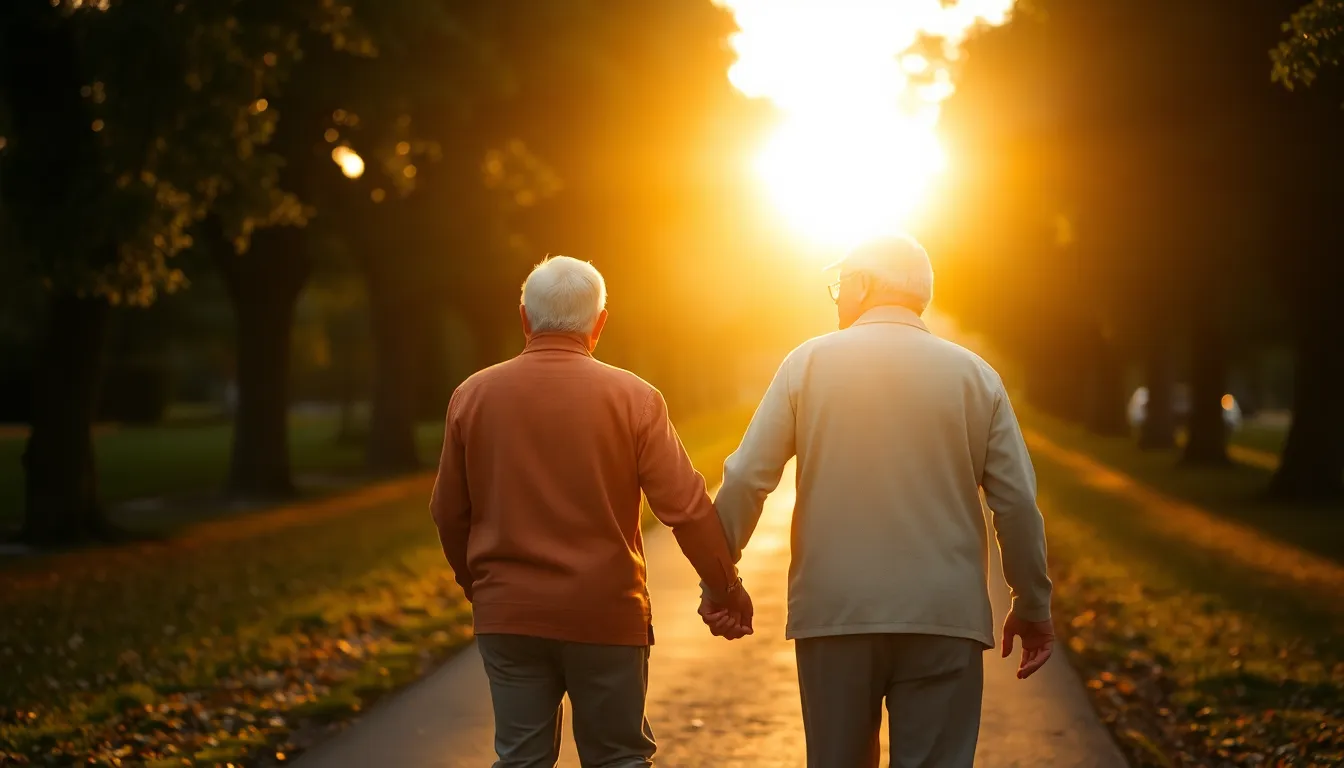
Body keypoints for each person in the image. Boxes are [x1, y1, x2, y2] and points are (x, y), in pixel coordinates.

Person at [701, 235, 1055, 767]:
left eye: (841, 285)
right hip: (944, 614)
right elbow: (1017, 504)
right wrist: (1031, 603)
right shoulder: (976, 377)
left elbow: (749, 476)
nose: (839, 297)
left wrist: (721, 581)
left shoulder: (807, 365)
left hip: (834, 612)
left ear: (864, 285)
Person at [430, 255, 754, 768]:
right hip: (607, 613)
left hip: (509, 615)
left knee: (520, 759)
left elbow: (448, 511)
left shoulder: (472, 396)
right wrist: (724, 587)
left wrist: (480, 586)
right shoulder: (635, 399)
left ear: (524, 318)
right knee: (618, 758)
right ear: (599, 323)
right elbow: (686, 509)